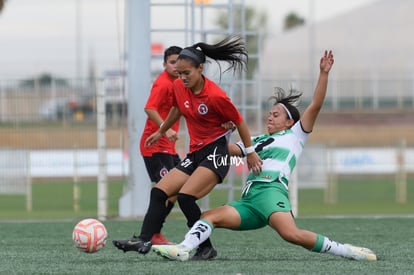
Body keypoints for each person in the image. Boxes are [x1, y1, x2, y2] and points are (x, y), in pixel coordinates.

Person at [151, 50, 377, 262]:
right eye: (269, 114)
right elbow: (223, 150)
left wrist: (323, 73)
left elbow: (316, 104)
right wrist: (222, 130)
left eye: (276, 115)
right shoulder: (257, 141)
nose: (270, 117)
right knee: (209, 216)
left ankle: (348, 251)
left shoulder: (296, 134)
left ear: (290, 121)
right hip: (250, 199)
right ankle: (183, 249)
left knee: (292, 235)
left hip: (271, 192)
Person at [113, 35, 263, 260]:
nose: (181, 77)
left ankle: (205, 248)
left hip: (216, 154)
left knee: (185, 197)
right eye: (179, 73)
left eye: (186, 73)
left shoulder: (215, 95)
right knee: (159, 192)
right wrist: (161, 130)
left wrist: (250, 153)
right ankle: (143, 239)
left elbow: (239, 121)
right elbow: (177, 109)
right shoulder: (178, 86)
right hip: (195, 153)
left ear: (200, 68)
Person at [139, 45, 183, 245]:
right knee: (166, 190)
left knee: (178, 187)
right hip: (154, 146)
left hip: (168, 147)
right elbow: (149, 108)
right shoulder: (163, 83)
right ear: (164, 64)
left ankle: (155, 232)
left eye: (178, 62)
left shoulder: (181, 82)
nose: (175, 66)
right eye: (172, 62)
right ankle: (151, 235)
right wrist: (167, 129)